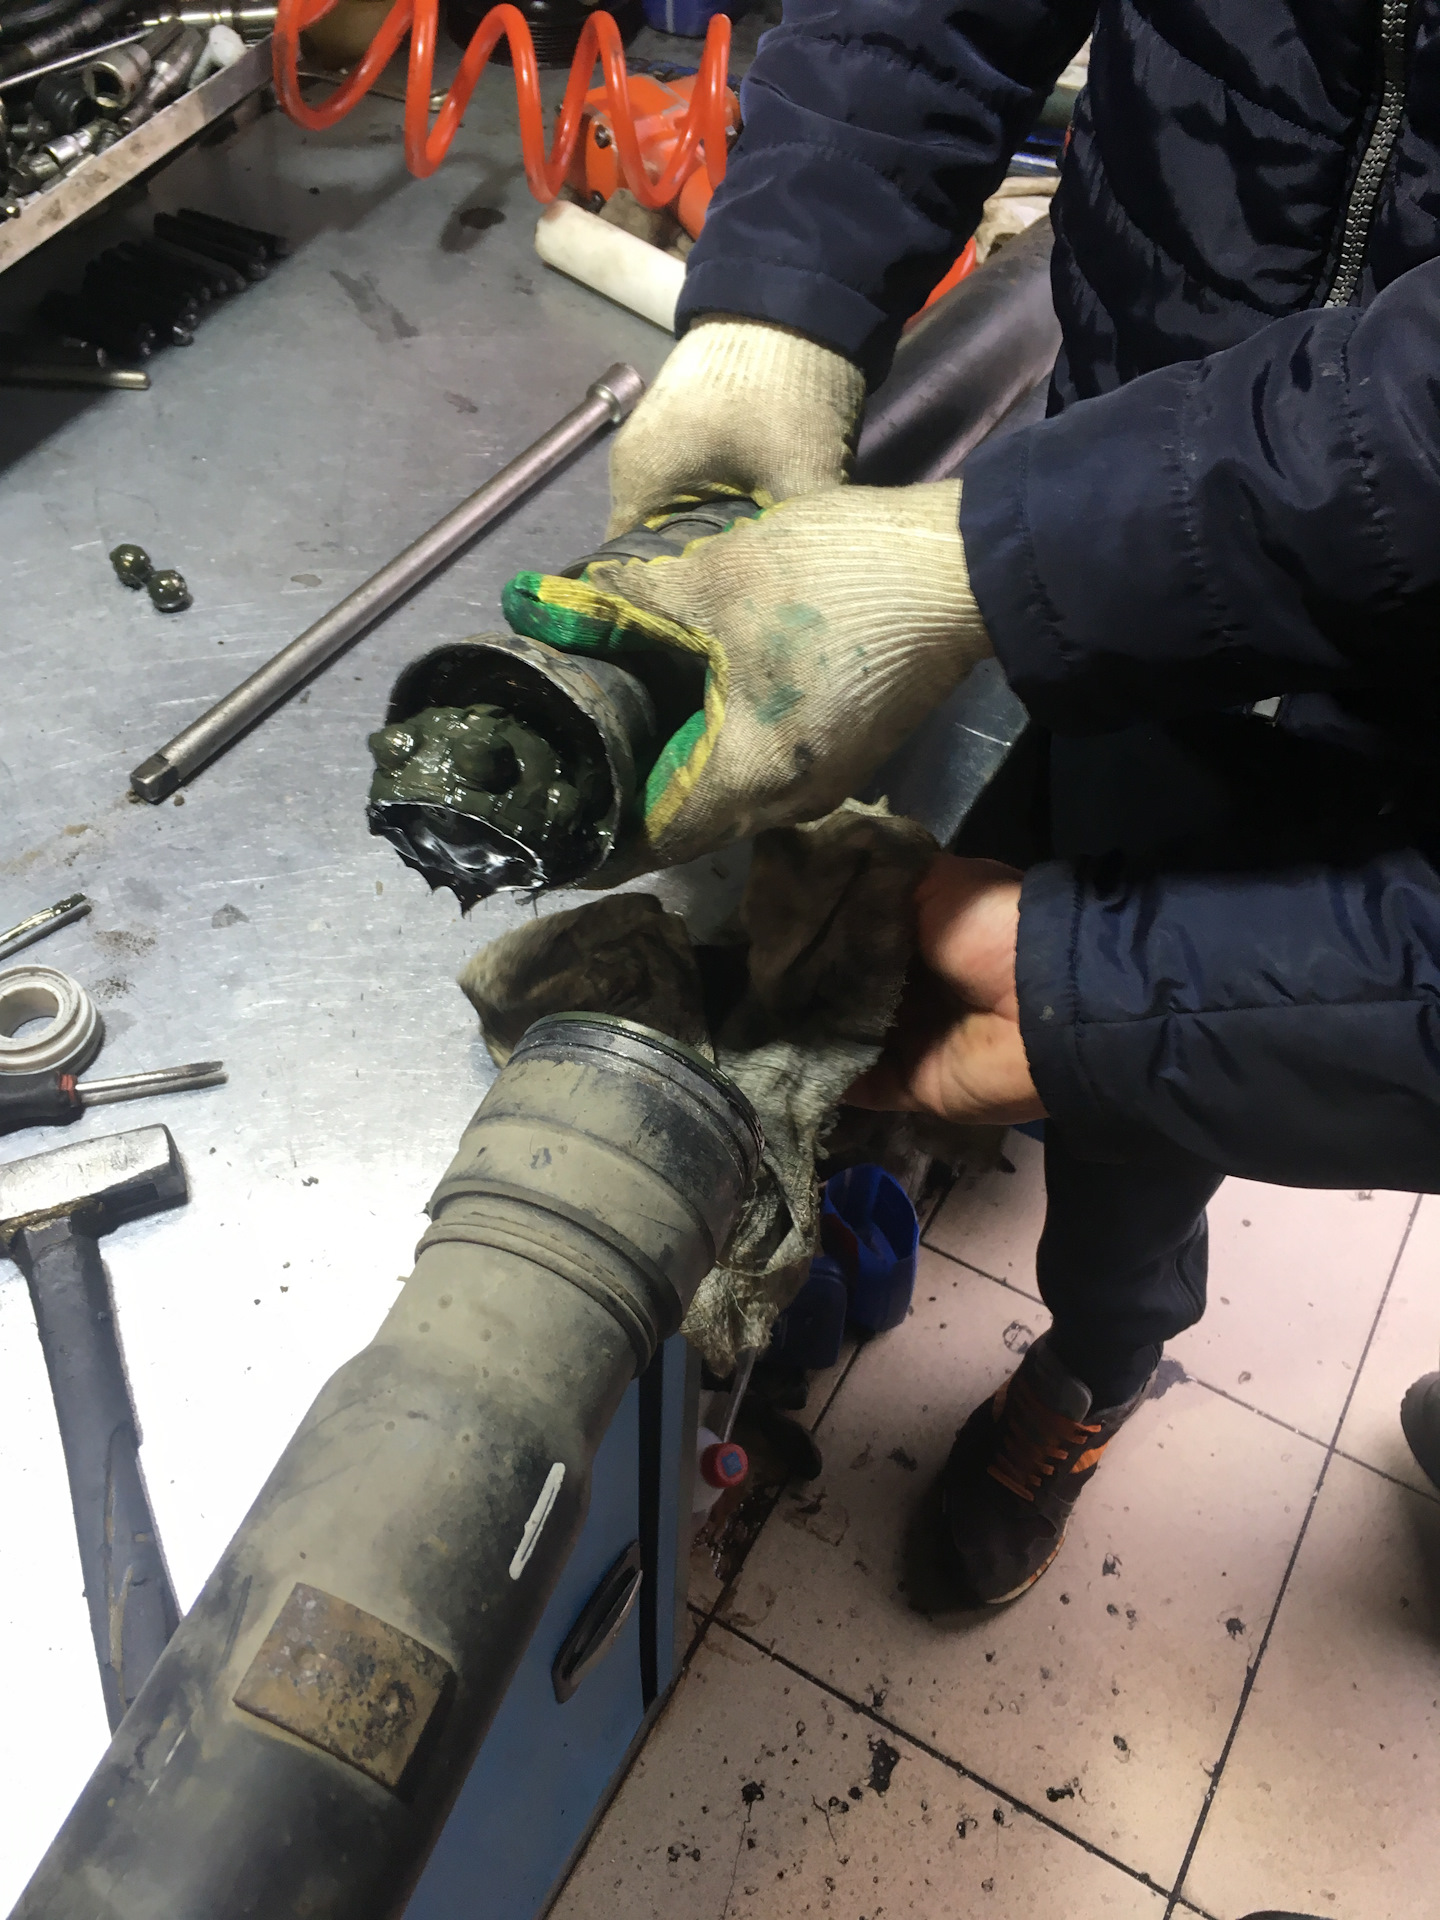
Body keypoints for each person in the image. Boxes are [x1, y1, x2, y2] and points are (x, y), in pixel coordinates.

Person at [507, 0, 1440, 1608]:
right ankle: (1105, 1342)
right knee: (1120, 1064)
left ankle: (1090, 1365)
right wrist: (787, 297)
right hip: (1157, 551)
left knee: (1139, 1031)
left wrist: (1004, 560)